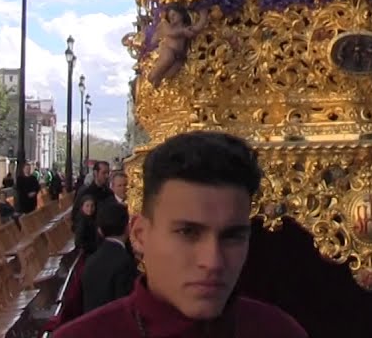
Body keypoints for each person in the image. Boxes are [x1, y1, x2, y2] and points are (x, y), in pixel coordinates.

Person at [53, 131, 305, 337]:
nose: (213, 261)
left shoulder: (281, 332)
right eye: (188, 232)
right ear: (139, 235)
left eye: (232, 236)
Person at [80, 200, 139, 313]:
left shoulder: (90, 260)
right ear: (128, 228)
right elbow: (126, 308)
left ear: (100, 231)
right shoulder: (124, 263)